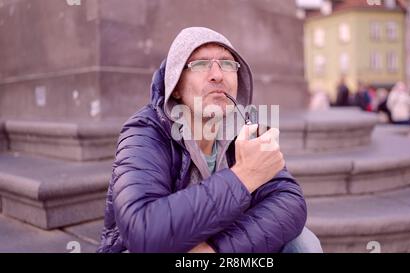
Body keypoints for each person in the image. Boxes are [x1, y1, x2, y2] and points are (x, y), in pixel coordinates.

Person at [97, 27, 321, 253]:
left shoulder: (246, 127)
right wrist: (244, 176)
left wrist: (217, 250)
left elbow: (289, 201)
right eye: (201, 64)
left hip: (216, 243)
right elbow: (142, 232)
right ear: (175, 87)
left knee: (304, 242)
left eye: (227, 63)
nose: (217, 74)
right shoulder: (146, 130)